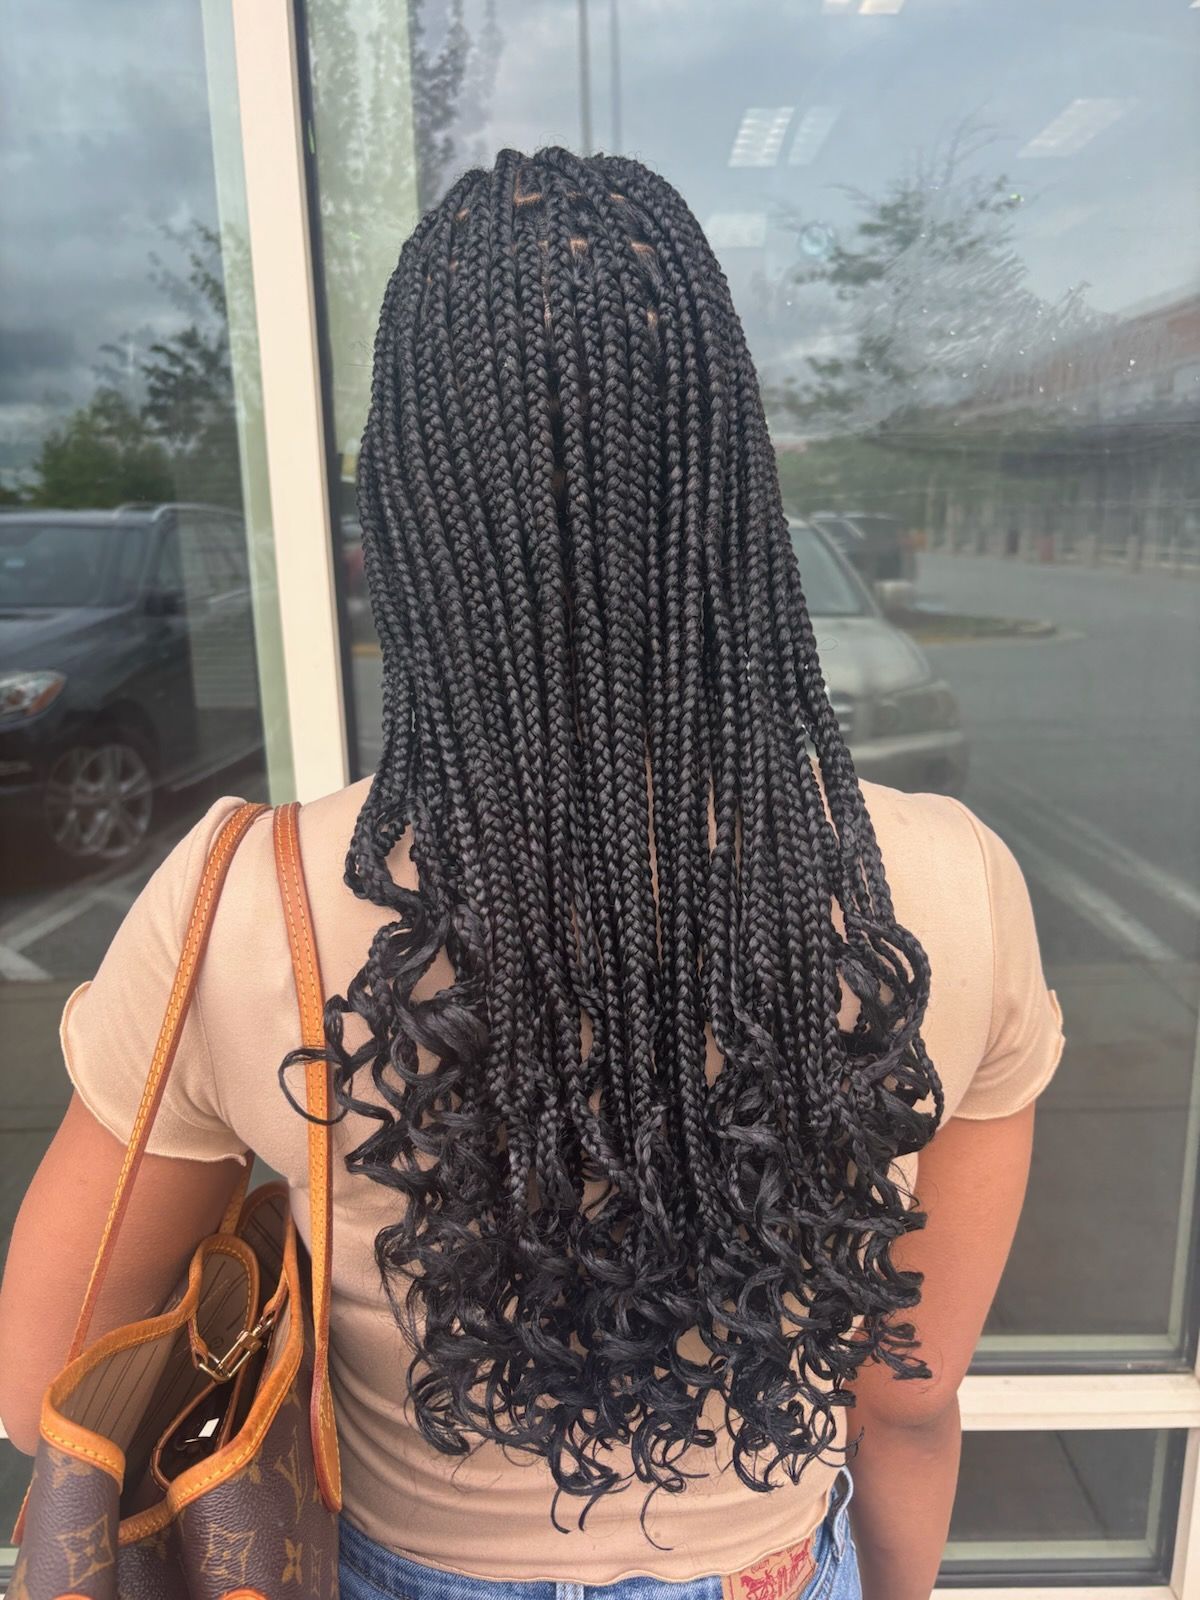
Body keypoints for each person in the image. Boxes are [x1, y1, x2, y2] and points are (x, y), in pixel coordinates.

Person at [0, 148, 1063, 1600]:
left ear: (415, 512)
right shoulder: (939, 888)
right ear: (730, 488)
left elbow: (45, 1374)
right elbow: (906, 1394)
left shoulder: (250, 900)